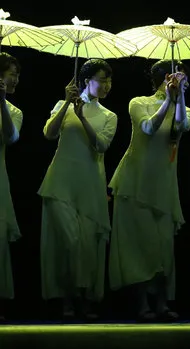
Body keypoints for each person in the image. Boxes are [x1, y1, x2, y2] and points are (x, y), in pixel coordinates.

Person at [108, 59, 190, 322]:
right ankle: (143, 304)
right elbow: (148, 128)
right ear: (166, 78)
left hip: (164, 185)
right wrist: (168, 99)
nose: (185, 83)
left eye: (186, 80)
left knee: (162, 246)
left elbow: (181, 126)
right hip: (135, 183)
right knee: (139, 245)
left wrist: (177, 99)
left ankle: (161, 303)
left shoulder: (187, 109)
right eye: (181, 78)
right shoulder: (139, 103)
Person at [38, 58, 117, 321]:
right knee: (69, 242)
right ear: (86, 81)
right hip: (60, 182)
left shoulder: (108, 116)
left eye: (108, 80)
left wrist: (82, 117)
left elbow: (101, 146)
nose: (106, 85)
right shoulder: (63, 105)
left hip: (90, 185)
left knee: (86, 245)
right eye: (101, 79)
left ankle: (83, 300)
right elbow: (48, 134)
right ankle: (67, 299)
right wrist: (66, 106)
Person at [0, 52, 23, 321]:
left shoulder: (14, 110)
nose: (16, 79)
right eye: (12, 73)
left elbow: (11, 137)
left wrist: (2, 103)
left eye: (16, 74)